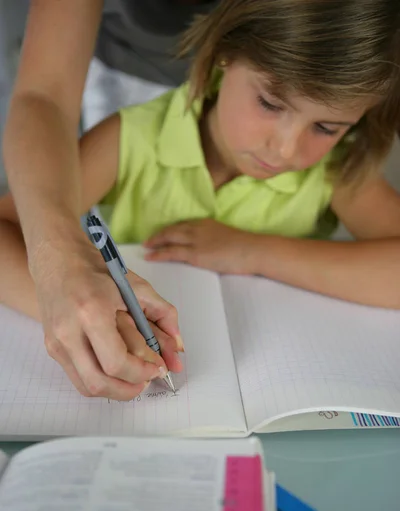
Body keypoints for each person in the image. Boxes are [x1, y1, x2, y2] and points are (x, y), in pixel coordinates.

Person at [2, 0, 400, 399]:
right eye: (270, 103)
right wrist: (94, 316)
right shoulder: (131, 140)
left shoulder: (336, 170)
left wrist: (253, 252)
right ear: (225, 53)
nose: (284, 149)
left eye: (327, 127)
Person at [1, 1, 218, 402]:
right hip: (118, 84)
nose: (285, 146)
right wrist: (57, 265)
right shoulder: (126, 140)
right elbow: (43, 94)